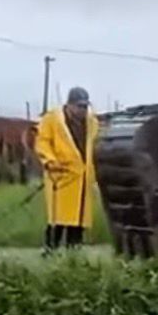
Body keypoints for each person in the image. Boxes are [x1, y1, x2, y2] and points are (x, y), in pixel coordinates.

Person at [34, 86, 99, 250]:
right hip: (61, 175)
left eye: (85, 107)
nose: (82, 110)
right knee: (58, 218)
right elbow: (42, 141)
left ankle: (73, 254)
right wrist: (49, 161)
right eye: (79, 106)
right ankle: (50, 251)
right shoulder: (52, 119)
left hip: (83, 177)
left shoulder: (92, 123)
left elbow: (96, 146)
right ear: (69, 105)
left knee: (78, 220)